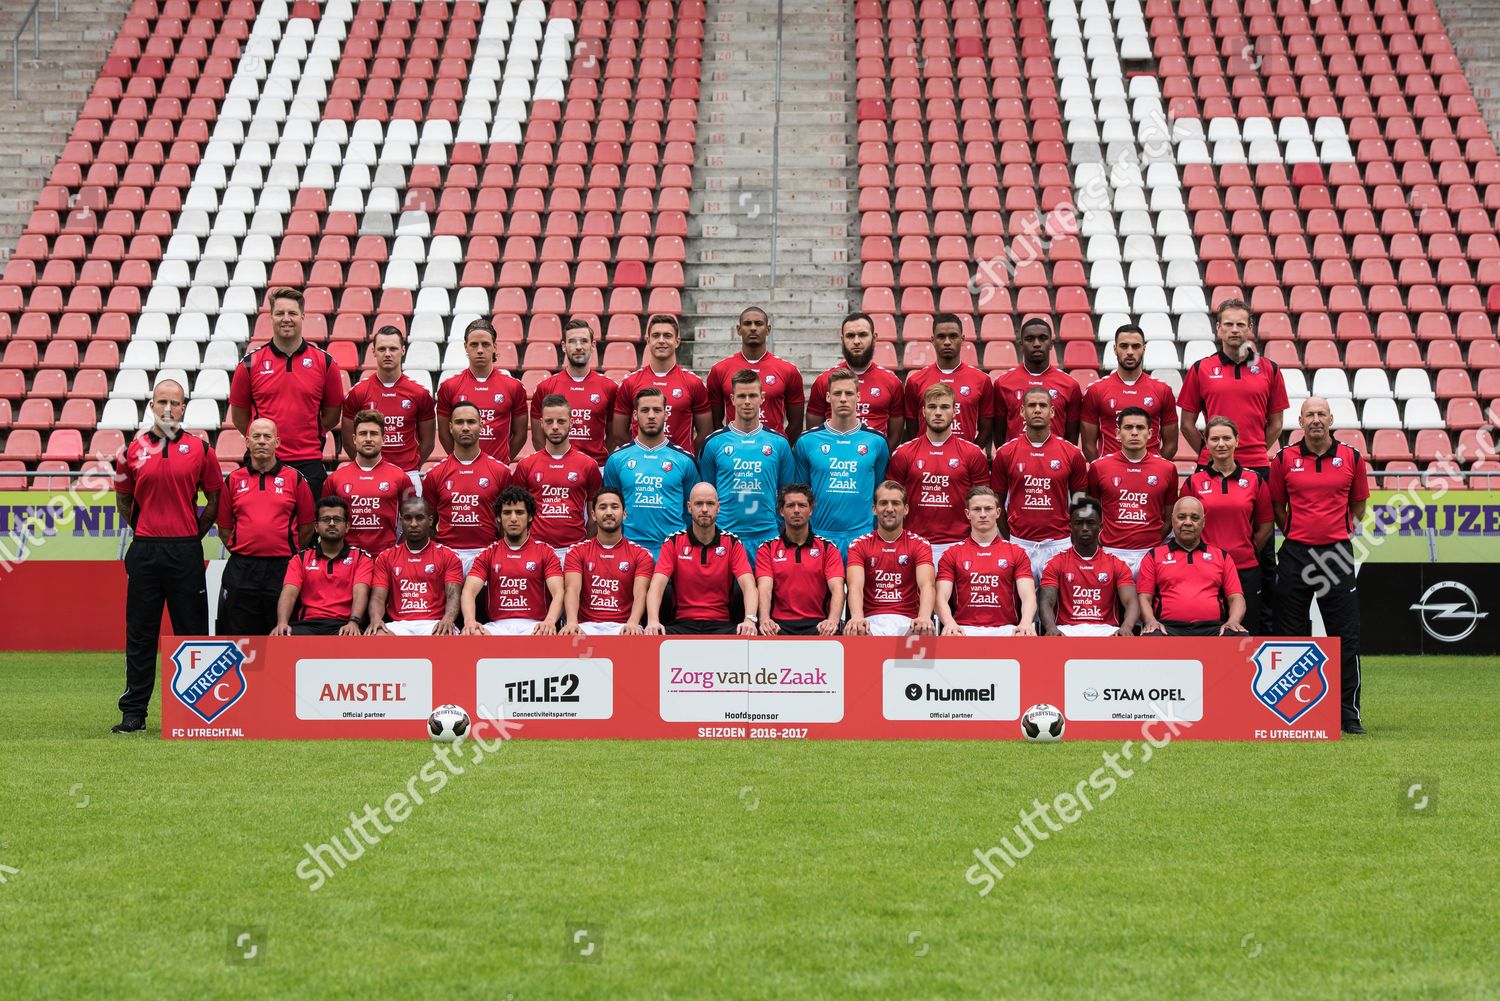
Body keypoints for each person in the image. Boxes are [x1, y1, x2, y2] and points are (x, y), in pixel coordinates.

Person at [113, 379, 223, 734]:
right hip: (145, 550)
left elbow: (215, 499)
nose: (167, 409)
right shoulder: (129, 452)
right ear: (151, 406)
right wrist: (143, 530)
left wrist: (195, 533)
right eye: (161, 402)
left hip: (185, 550)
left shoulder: (201, 450)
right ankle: (134, 713)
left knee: (191, 633)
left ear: (184, 408)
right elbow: (124, 500)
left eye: (174, 403)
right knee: (141, 635)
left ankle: (196, 711)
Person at [1177, 298, 1288, 630]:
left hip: (1259, 468)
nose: (1235, 329)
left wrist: (1247, 454)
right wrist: (1213, 456)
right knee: (1203, 544)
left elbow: (1277, 424)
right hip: (1209, 473)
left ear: (1250, 329)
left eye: (1241, 324)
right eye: (1229, 324)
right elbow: (1186, 423)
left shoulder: (1269, 369)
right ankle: (1202, 624)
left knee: (1264, 554)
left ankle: (1263, 631)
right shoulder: (1201, 368)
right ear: (1218, 328)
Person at [1270, 397, 1370, 734]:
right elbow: (1278, 507)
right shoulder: (1283, 459)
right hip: (1296, 553)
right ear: (1300, 420)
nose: (1315, 420)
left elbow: (1359, 506)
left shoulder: (1352, 458)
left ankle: (1348, 714)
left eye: (1321, 414)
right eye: (1309, 414)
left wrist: (1336, 532)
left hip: (1336, 555)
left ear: (1331, 418)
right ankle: (1295, 710)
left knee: (1344, 636)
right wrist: (1298, 532)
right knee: (1291, 636)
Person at [228, 287, 344, 498]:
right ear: (270, 317)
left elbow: (332, 415)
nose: (286, 319)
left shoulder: (325, 363)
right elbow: (239, 417)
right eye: (280, 313)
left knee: (308, 529)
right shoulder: (249, 364)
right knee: (262, 526)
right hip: (262, 461)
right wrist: (265, 440)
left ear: (302, 316)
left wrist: (307, 433)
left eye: (292, 313)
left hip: (308, 462)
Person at [216, 418, 316, 635]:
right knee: (237, 634)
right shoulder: (233, 480)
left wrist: (289, 551)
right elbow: (224, 527)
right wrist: (245, 548)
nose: (262, 441)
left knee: (281, 634)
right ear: (247, 442)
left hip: (282, 569)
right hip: (242, 569)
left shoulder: (295, 479)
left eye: (267, 437)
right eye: (256, 436)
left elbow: (308, 526)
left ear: (277, 442)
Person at [1183, 416, 1273, 635]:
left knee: (1246, 634)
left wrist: (1247, 551)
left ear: (1237, 441)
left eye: (1226, 438)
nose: (1220, 444)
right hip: (1203, 571)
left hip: (1245, 570)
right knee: (1207, 633)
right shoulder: (1194, 483)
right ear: (1206, 443)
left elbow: (1266, 526)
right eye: (1214, 439)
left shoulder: (1255, 481)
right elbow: (1183, 527)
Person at [698, 370, 796, 564]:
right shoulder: (714, 443)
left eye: (752, 395)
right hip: (724, 537)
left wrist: (777, 526)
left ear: (762, 398)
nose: (747, 401)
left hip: (767, 536)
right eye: (742, 396)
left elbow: (788, 494)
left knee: (765, 594)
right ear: (732, 399)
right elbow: (706, 494)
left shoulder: (779, 443)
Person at [886, 383, 990, 564]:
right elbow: (892, 503)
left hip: (959, 544)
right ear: (923, 411)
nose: (938, 412)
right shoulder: (904, 453)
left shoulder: (973, 454)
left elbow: (983, 504)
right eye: (932, 407)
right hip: (914, 543)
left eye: (944, 407)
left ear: (955, 410)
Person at [793, 367, 890, 558]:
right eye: (837, 393)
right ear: (828, 397)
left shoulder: (876, 441)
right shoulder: (807, 441)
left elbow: (879, 490)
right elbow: (801, 492)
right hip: (819, 538)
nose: (843, 399)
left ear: (858, 396)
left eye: (849, 393)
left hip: (862, 538)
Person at [992, 388, 1088, 578]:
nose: (1037, 410)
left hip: (1059, 544)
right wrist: (1012, 537)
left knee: (1055, 605)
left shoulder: (1072, 453)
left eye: (1043, 406)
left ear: (1052, 412)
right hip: (1020, 543)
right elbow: (997, 503)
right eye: (1032, 405)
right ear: (1022, 412)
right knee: (1022, 606)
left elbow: (1080, 502)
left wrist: (1071, 538)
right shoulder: (1005, 453)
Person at [645, 483, 758, 635]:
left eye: (710, 504)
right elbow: (657, 586)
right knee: (654, 633)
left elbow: (749, 585)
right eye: (699, 504)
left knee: (747, 632)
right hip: (682, 624)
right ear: (689, 507)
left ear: (718, 507)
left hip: (722, 624)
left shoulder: (732, 542)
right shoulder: (673, 542)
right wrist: (653, 621)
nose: (704, 509)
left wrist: (750, 620)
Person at [602, 387, 702, 558]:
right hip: (630, 551)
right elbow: (610, 508)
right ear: (635, 415)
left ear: (666, 414)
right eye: (644, 410)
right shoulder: (616, 460)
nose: (651, 416)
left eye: (657, 410)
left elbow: (691, 511)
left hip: (672, 551)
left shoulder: (685, 460)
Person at [339, 324, 435, 492]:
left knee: (412, 519)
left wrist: (411, 465)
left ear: (403, 350)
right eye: (382, 349)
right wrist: (366, 465)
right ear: (374, 352)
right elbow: (348, 440)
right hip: (370, 472)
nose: (388, 354)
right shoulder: (358, 393)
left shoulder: (420, 394)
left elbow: (428, 442)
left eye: (393, 348)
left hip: (408, 474)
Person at [422, 401, 513, 574]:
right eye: (459, 422)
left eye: (471, 422)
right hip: (447, 556)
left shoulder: (501, 472)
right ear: (450, 427)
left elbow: (507, 521)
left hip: (487, 555)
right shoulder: (434, 474)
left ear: (481, 425)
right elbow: (429, 522)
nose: (465, 428)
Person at [1086, 406, 1179, 576]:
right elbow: (1091, 511)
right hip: (1111, 552)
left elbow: (1169, 516)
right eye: (1128, 428)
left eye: (1140, 428)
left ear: (1150, 433)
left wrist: (1155, 541)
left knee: (1148, 602)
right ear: (1117, 433)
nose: (1134, 433)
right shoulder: (1098, 467)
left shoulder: (1167, 469)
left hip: (1151, 553)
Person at [461, 486, 565, 636]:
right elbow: (468, 591)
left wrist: (550, 621)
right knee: (471, 634)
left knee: (546, 634)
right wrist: (470, 621)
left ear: (530, 517)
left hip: (535, 625)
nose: (514, 518)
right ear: (498, 517)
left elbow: (558, 592)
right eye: (507, 513)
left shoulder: (546, 552)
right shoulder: (487, 553)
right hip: (497, 626)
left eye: (520, 512)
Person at [513, 393, 604, 563]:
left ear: (571, 422)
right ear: (541, 424)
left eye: (561, 421)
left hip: (574, 551)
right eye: (549, 421)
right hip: (536, 551)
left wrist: (582, 545)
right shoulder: (526, 465)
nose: (555, 427)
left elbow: (595, 515)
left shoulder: (588, 465)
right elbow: (516, 514)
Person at [1137, 497, 1247, 636]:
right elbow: (1144, 598)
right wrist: (1150, 621)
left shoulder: (1222, 557)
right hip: (1167, 629)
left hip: (1213, 629)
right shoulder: (1153, 556)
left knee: (1238, 636)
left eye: (1195, 518)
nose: (1188, 522)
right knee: (1151, 636)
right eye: (1181, 517)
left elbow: (1236, 598)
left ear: (1203, 522)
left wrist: (1233, 621)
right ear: (1172, 520)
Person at [936, 486, 1037, 636]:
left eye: (988, 509)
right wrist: (950, 623)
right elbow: (940, 596)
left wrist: (1026, 623)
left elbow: (1028, 595)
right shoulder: (952, 553)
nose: (983, 514)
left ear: (997, 513)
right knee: (950, 634)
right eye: (977, 509)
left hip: (1006, 630)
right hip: (963, 630)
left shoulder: (1017, 552)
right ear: (967, 513)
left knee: (1025, 635)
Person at [610, 313, 712, 455]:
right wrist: (639, 453)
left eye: (668, 336)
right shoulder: (630, 383)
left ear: (677, 341)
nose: (661, 340)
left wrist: (685, 457)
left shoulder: (694, 383)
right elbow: (619, 434)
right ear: (648, 340)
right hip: (640, 462)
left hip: (679, 466)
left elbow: (705, 434)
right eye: (656, 335)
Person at [272, 495, 374, 636]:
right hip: (308, 625)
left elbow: (360, 592)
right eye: (326, 519)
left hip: (344, 624)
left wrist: (354, 622)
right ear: (316, 527)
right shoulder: (300, 559)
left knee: (353, 637)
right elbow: (289, 593)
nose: (332, 523)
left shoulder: (361, 558)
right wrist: (282, 623)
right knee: (281, 636)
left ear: (347, 527)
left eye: (337, 520)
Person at [845, 480, 937, 637]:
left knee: (924, 629)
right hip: (870, 621)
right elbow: (855, 587)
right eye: (883, 503)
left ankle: (909, 662)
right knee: (855, 630)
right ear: (874, 509)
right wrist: (857, 617)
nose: (889, 509)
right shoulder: (859, 544)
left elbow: (927, 585)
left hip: (908, 621)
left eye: (895, 503)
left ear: (906, 509)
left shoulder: (920, 544)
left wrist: (924, 617)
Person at [1039, 497, 1139, 637]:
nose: (1085, 528)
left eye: (1090, 523)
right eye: (1079, 523)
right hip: (1067, 631)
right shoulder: (1056, 562)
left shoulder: (1117, 563)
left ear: (1101, 526)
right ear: (1071, 526)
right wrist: (1050, 628)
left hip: (1107, 631)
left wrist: (1127, 627)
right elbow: (1046, 601)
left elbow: (1131, 601)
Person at [561, 488, 655, 636]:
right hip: (586, 626)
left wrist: (633, 622)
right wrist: (572, 622)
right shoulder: (576, 551)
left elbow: (640, 594)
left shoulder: (642, 554)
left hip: (624, 626)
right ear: (593, 515)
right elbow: (572, 589)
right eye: (602, 507)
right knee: (568, 634)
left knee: (635, 636)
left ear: (624, 514)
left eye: (615, 507)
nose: (609, 512)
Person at [755, 484, 845, 636]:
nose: (796, 510)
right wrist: (764, 619)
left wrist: (833, 620)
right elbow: (765, 589)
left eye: (802, 505)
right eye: (790, 505)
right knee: (764, 630)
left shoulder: (828, 548)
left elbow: (837, 589)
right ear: (782, 511)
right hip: (779, 626)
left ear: (810, 510)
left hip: (819, 624)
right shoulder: (767, 549)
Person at [435, 317, 528, 462]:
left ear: (494, 346)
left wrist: (501, 463)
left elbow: (521, 434)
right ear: (465, 346)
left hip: (499, 475)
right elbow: (444, 433)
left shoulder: (513, 386)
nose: (479, 350)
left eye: (485, 344)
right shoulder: (449, 386)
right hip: (461, 468)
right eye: (474, 344)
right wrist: (461, 460)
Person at [1079, 323, 1178, 461]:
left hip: (1150, 477)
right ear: (1115, 349)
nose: (1130, 352)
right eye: (1124, 346)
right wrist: (1102, 469)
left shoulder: (1163, 390)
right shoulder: (1096, 390)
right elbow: (1088, 445)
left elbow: (1171, 445)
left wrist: (1155, 468)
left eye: (1136, 346)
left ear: (1144, 348)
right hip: (1110, 476)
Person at [806, 311, 905, 447]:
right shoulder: (824, 381)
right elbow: (814, 433)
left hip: (874, 459)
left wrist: (881, 459)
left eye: (863, 335)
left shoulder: (892, 382)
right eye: (850, 336)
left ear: (874, 337)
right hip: (833, 457)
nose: (856, 341)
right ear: (842, 339)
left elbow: (896, 434)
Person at [367, 497, 463, 636]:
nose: (413, 524)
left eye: (419, 518)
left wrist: (448, 619)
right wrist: (375, 619)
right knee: (375, 634)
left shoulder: (449, 555)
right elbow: (378, 598)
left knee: (445, 635)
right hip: (399, 625)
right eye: (407, 518)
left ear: (430, 520)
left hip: (434, 623)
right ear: (401, 521)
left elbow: (453, 595)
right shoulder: (386, 557)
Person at [706, 306, 805, 440]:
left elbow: (796, 424)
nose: (753, 328)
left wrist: (780, 445)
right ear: (739, 329)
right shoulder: (719, 369)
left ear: (768, 329)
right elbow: (715, 423)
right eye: (747, 323)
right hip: (733, 447)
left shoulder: (788, 370)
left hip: (772, 450)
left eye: (758, 323)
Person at [323, 409, 413, 555]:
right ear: (354, 439)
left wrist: (397, 552)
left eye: (374, 434)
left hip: (385, 559)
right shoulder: (335, 479)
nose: (368, 439)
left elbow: (413, 521)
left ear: (383, 439)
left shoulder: (400, 478)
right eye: (363, 434)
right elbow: (326, 521)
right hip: (347, 559)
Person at [529, 317, 617, 465]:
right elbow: (538, 438)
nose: (578, 347)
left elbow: (614, 434)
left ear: (593, 345)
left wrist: (594, 461)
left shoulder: (609, 387)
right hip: (556, 466)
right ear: (564, 346)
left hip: (597, 467)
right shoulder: (546, 387)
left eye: (583, 341)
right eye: (572, 341)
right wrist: (555, 462)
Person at [902, 312, 995, 448]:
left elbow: (986, 429)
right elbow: (912, 430)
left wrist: (969, 454)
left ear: (962, 339)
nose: (947, 342)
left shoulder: (982, 380)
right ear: (932, 340)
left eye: (953, 336)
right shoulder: (915, 381)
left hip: (964, 462)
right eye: (941, 337)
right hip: (926, 460)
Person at [994, 317, 1082, 445]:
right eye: (1030, 339)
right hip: (1017, 461)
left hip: (1055, 461)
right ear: (1021, 345)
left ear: (1051, 344)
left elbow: (1072, 436)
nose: (1036, 344)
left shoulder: (1070, 385)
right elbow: (999, 434)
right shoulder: (1002, 383)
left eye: (1043, 338)